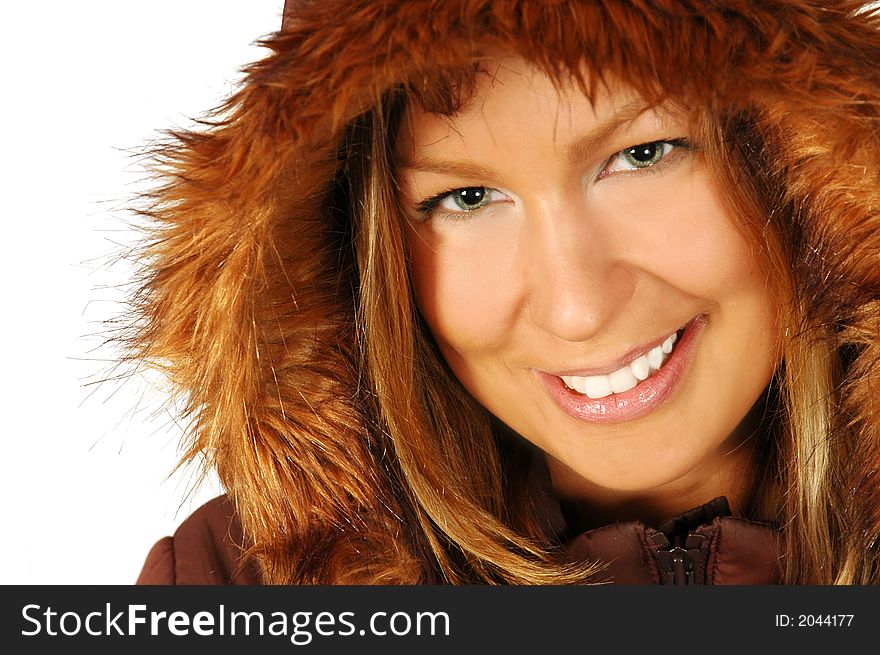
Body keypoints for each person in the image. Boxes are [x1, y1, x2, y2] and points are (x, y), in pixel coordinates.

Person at [132, 0, 880, 585]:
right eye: (467, 198)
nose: (576, 306)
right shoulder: (235, 586)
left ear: (801, 160)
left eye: (643, 154)